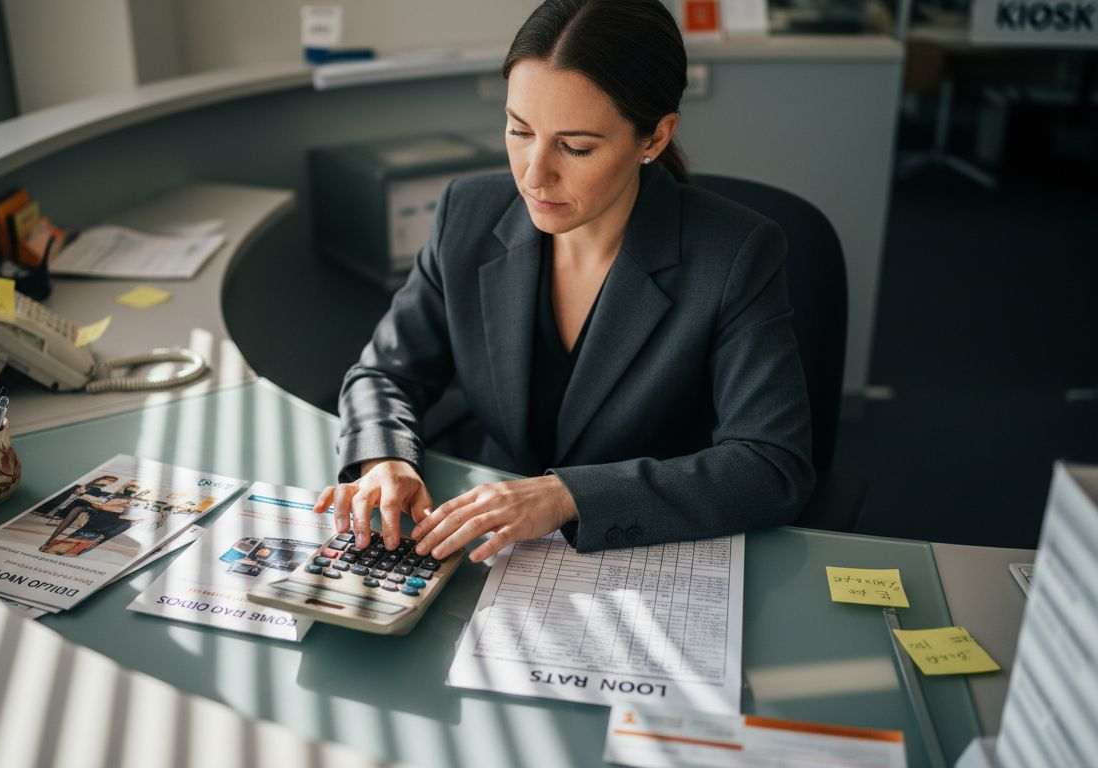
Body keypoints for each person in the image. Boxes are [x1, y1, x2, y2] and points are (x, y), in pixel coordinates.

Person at [313, 0, 814, 563]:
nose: (533, 174)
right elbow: (384, 371)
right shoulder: (467, 215)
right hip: (488, 551)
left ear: (653, 138)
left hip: (641, 555)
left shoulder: (734, 254)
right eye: (519, 131)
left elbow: (772, 466)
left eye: (575, 147)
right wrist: (386, 460)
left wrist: (567, 494)